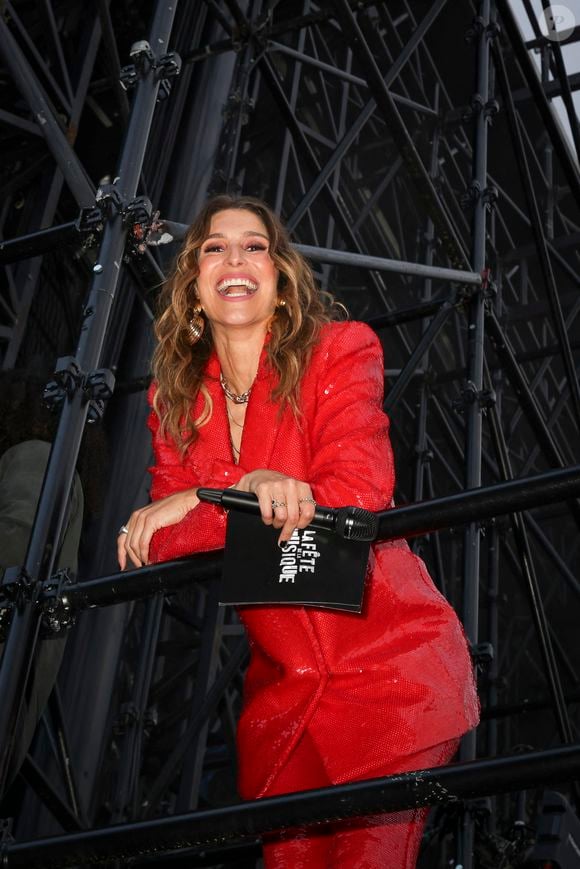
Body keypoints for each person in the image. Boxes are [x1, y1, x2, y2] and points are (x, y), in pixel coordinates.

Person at [117, 194, 479, 868]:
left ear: (281, 279)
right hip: (286, 700)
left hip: (391, 670)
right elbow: (157, 541)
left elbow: (358, 491)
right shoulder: (176, 399)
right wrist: (237, 492)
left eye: (254, 245)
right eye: (213, 246)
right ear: (193, 285)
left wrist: (219, 493)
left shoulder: (340, 350)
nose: (234, 258)